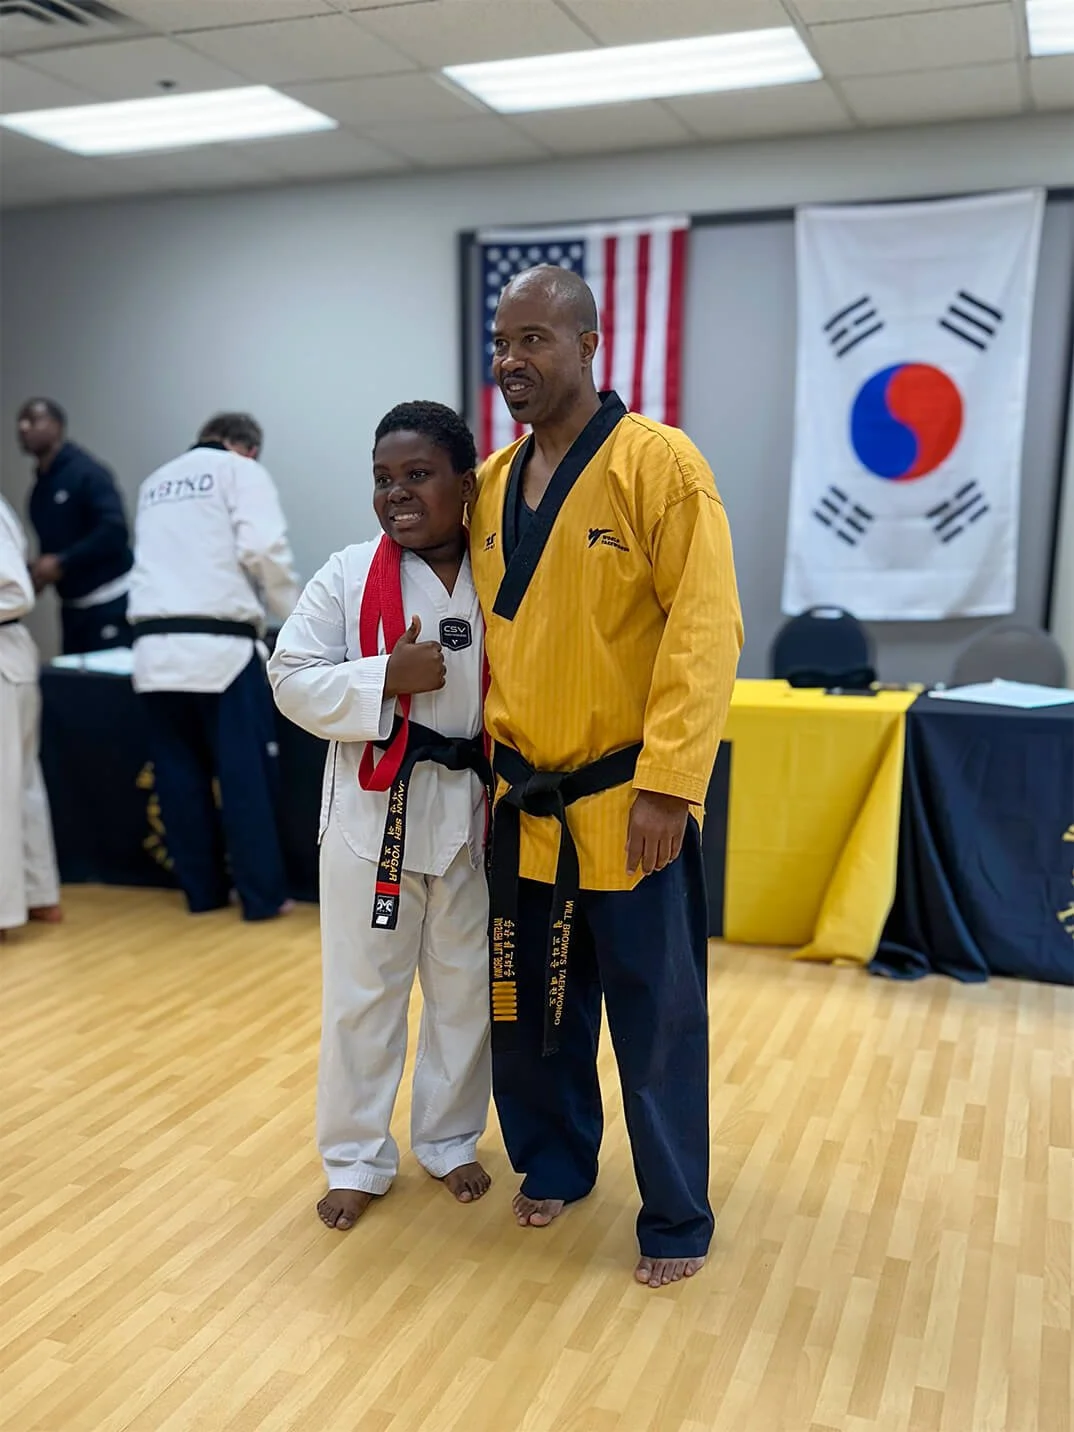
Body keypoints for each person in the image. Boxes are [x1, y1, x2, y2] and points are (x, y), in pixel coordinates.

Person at [470, 265, 743, 1289]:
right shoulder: (493, 481)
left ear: (592, 342)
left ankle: (676, 1213)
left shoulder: (658, 465)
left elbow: (705, 630)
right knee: (533, 1007)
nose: (512, 361)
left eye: (535, 339)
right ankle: (554, 1157)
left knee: (655, 1011)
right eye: (502, 341)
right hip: (527, 799)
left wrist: (672, 783)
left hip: (632, 802)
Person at [269, 401, 492, 1230]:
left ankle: (449, 1139)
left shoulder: (500, 573)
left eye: (418, 475)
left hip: (472, 811)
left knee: (466, 992)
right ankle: (357, 1155)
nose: (396, 493)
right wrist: (381, 679)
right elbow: (288, 678)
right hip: (374, 813)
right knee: (364, 995)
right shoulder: (346, 573)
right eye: (383, 479)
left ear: (465, 485)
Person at [127, 412, 298, 922]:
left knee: (177, 776)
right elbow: (264, 549)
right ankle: (261, 898)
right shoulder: (241, 472)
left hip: (154, 651)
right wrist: (299, 619)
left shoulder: (155, 481)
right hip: (220, 646)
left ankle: (201, 893)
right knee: (243, 774)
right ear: (246, 447)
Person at [18, 398, 133, 654]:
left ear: (56, 426)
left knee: (108, 690)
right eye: (20, 422)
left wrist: (62, 562)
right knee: (74, 689)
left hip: (110, 603)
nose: (23, 428)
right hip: (72, 611)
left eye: (33, 420)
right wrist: (38, 573)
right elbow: (55, 548)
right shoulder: (39, 492)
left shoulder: (87, 473)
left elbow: (114, 531)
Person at [0, 493, 62, 938]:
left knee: (9, 785)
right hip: (11, 662)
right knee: (20, 783)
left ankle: (6, 912)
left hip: (5, 660)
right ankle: (39, 894)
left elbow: (17, 591)